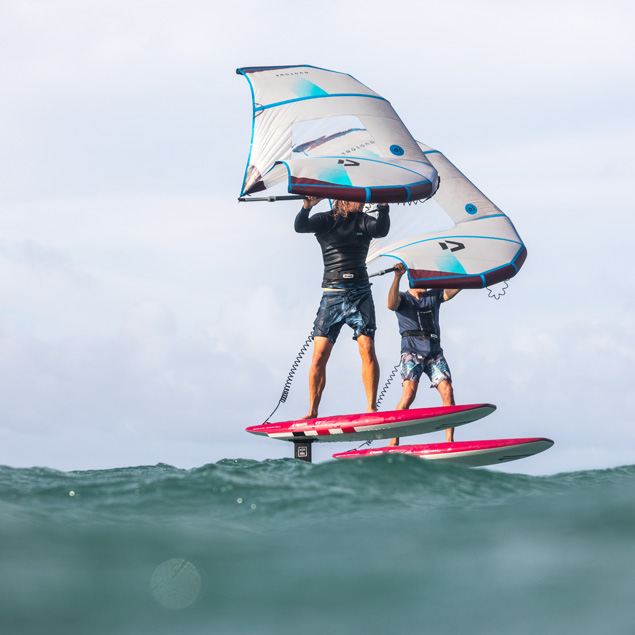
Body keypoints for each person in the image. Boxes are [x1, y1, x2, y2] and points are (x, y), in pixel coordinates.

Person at [294, 196, 390, 419]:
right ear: (340, 199)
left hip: (360, 294)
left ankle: (371, 407)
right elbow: (301, 227)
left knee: (367, 349)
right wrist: (306, 207)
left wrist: (384, 207)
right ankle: (312, 411)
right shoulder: (325, 220)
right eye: (356, 198)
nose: (360, 202)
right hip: (332, 295)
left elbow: (381, 230)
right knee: (318, 355)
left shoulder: (364, 221)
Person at [386, 262, 460, 445]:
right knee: (409, 394)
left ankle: (449, 441)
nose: (425, 282)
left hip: (434, 352)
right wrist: (397, 276)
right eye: (421, 278)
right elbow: (390, 304)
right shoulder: (402, 298)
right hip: (412, 352)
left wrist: (471, 274)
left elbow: (457, 287)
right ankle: (393, 440)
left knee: (447, 391)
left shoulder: (434, 295)